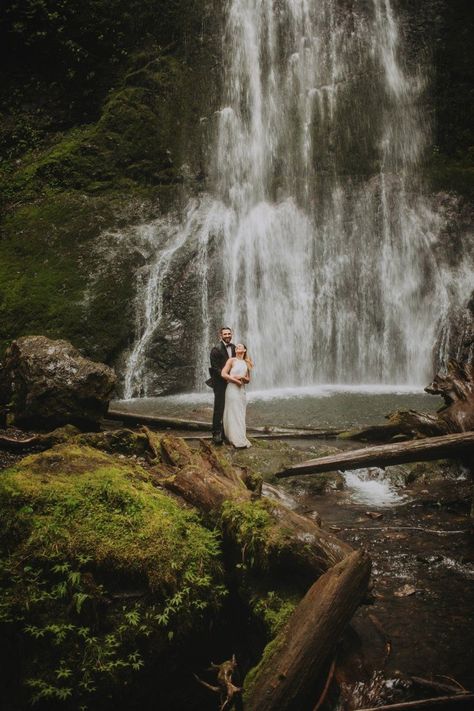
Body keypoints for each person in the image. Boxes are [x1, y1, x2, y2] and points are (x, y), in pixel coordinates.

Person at [221, 343, 252, 448]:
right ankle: (234, 439)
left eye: (239, 346)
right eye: (236, 347)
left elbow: (248, 380)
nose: (237, 348)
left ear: (244, 350)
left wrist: (242, 378)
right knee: (232, 412)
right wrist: (236, 380)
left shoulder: (247, 362)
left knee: (240, 412)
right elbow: (223, 374)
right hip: (232, 389)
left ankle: (240, 436)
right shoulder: (231, 360)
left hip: (241, 390)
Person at [209, 327, 235, 445]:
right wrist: (226, 377)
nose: (227, 335)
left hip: (232, 382)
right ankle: (216, 433)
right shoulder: (216, 349)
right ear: (221, 335)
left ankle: (227, 432)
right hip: (220, 383)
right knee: (219, 407)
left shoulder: (234, 348)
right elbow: (215, 368)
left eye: (229, 333)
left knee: (230, 406)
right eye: (225, 334)